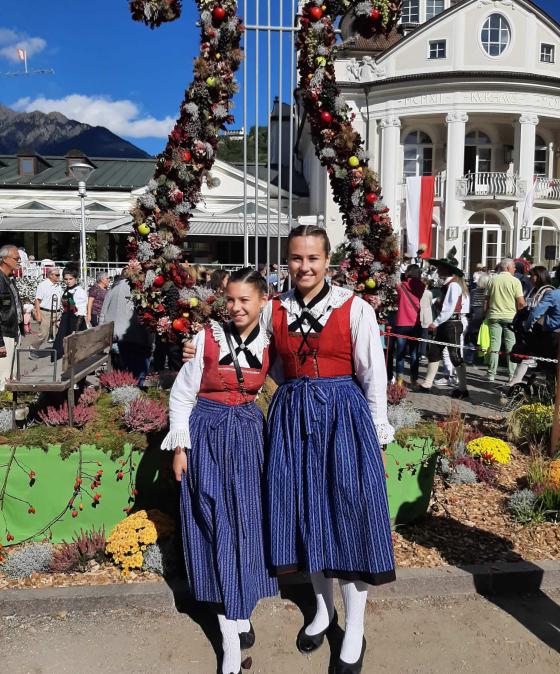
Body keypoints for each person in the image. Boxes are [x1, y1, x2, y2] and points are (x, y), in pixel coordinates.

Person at [264, 225, 394, 673]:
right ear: (288, 261)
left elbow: (373, 375)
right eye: (296, 258)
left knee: (349, 519)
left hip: (343, 419)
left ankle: (353, 628)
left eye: (312, 258)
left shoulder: (355, 308)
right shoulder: (273, 310)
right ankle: (323, 609)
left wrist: (376, 433)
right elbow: (270, 363)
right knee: (306, 516)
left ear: (328, 261)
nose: (304, 267)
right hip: (293, 420)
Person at [162, 268, 278, 674]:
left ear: (263, 300)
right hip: (208, 434)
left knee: (248, 524)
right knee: (215, 525)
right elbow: (181, 395)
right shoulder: (205, 339)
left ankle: (240, 606)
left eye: (245, 300)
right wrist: (180, 447)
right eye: (231, 299)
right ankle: (230, 636)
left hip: (248, 438)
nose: (237, 307)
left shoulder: (270, 339)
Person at [420, 257, 470, 399]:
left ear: (447, 270)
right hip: (447, 324)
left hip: (452, 324)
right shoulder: (448, 284)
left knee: (455, 356)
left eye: (440, 267)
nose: (438, 269)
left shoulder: (453, 285)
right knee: (434, 352)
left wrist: (435, 322)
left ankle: (463, 389)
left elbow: (449, 308)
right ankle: (427, 384)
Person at [99, 270, 153, 384]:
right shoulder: (141, 287)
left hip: (117, 335)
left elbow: (103, 312)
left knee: (123, 372)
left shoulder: (114, 287)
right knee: (139, 373)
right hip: (138, 336)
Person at [508, 266, 554, 389]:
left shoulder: (548, 291)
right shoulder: (533, 289)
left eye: (532, 275)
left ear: (539, 276)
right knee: (526, 356)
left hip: (540, 330)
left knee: (533, 359)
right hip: (529, 329)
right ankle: (515, 383)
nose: (530, 278)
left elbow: (541, 310)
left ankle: (516, 383)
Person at [484, 258, 526, 382]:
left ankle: (491, 373)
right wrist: (520, 313)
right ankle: (511, 375)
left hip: (494, 316)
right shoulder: (515, 281)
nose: (515, 269)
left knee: (494, 345)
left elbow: (486, 300)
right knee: (510, 346)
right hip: (510, 317)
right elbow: (521, 302)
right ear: (508, 268)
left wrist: (484, 314)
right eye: (514, 267)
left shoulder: (492, 280)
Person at [394, 264, 425, 387]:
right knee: (414, 353)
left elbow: (396, 286)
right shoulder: (422, 286)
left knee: (400, 353)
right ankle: (414, 378)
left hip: (402, 322)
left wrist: (403, 277)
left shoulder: (401, 286)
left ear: (408, 273)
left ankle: (400, 379)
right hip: (415, 323)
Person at [0, 245, 24, 390]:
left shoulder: (9, 279)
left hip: (13, 331)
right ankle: (4, 410)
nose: (19, 261)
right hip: (4, 333)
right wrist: (0, 342)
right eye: (16, 258)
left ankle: (10, 407)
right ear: (5, 259)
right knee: (3, 378)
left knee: (12, 376)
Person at [52, 267, 88, 360]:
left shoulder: (79, 291)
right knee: (60, 345)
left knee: (77, 349)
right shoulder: (67, 290)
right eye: (66, 279)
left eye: (70, 279)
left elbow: (81, 311)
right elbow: (66, 307)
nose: (68, 281)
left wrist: (75, 329)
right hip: (66, 319)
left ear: (76, 279)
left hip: (76, 321)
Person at [464, 273, 490, 365]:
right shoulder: (489, 292)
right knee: (485, 338)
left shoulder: (473, 291)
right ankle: (484, 359)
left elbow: (470, 305)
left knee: (472, 338)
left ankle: (469, 359)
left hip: (474, 316)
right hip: (484, 316)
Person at [34, 267, 63, 347]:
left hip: (57, 313)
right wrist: (38, 314)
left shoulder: (58, 286)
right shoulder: (43, 285)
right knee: (43, 335)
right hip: (46, 313)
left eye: (59, 275)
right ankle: (33, 347)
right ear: (50, 275)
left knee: (57, 334)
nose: (59, 276)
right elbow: (37, 300)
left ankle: (56, 351)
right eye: (57, 275)